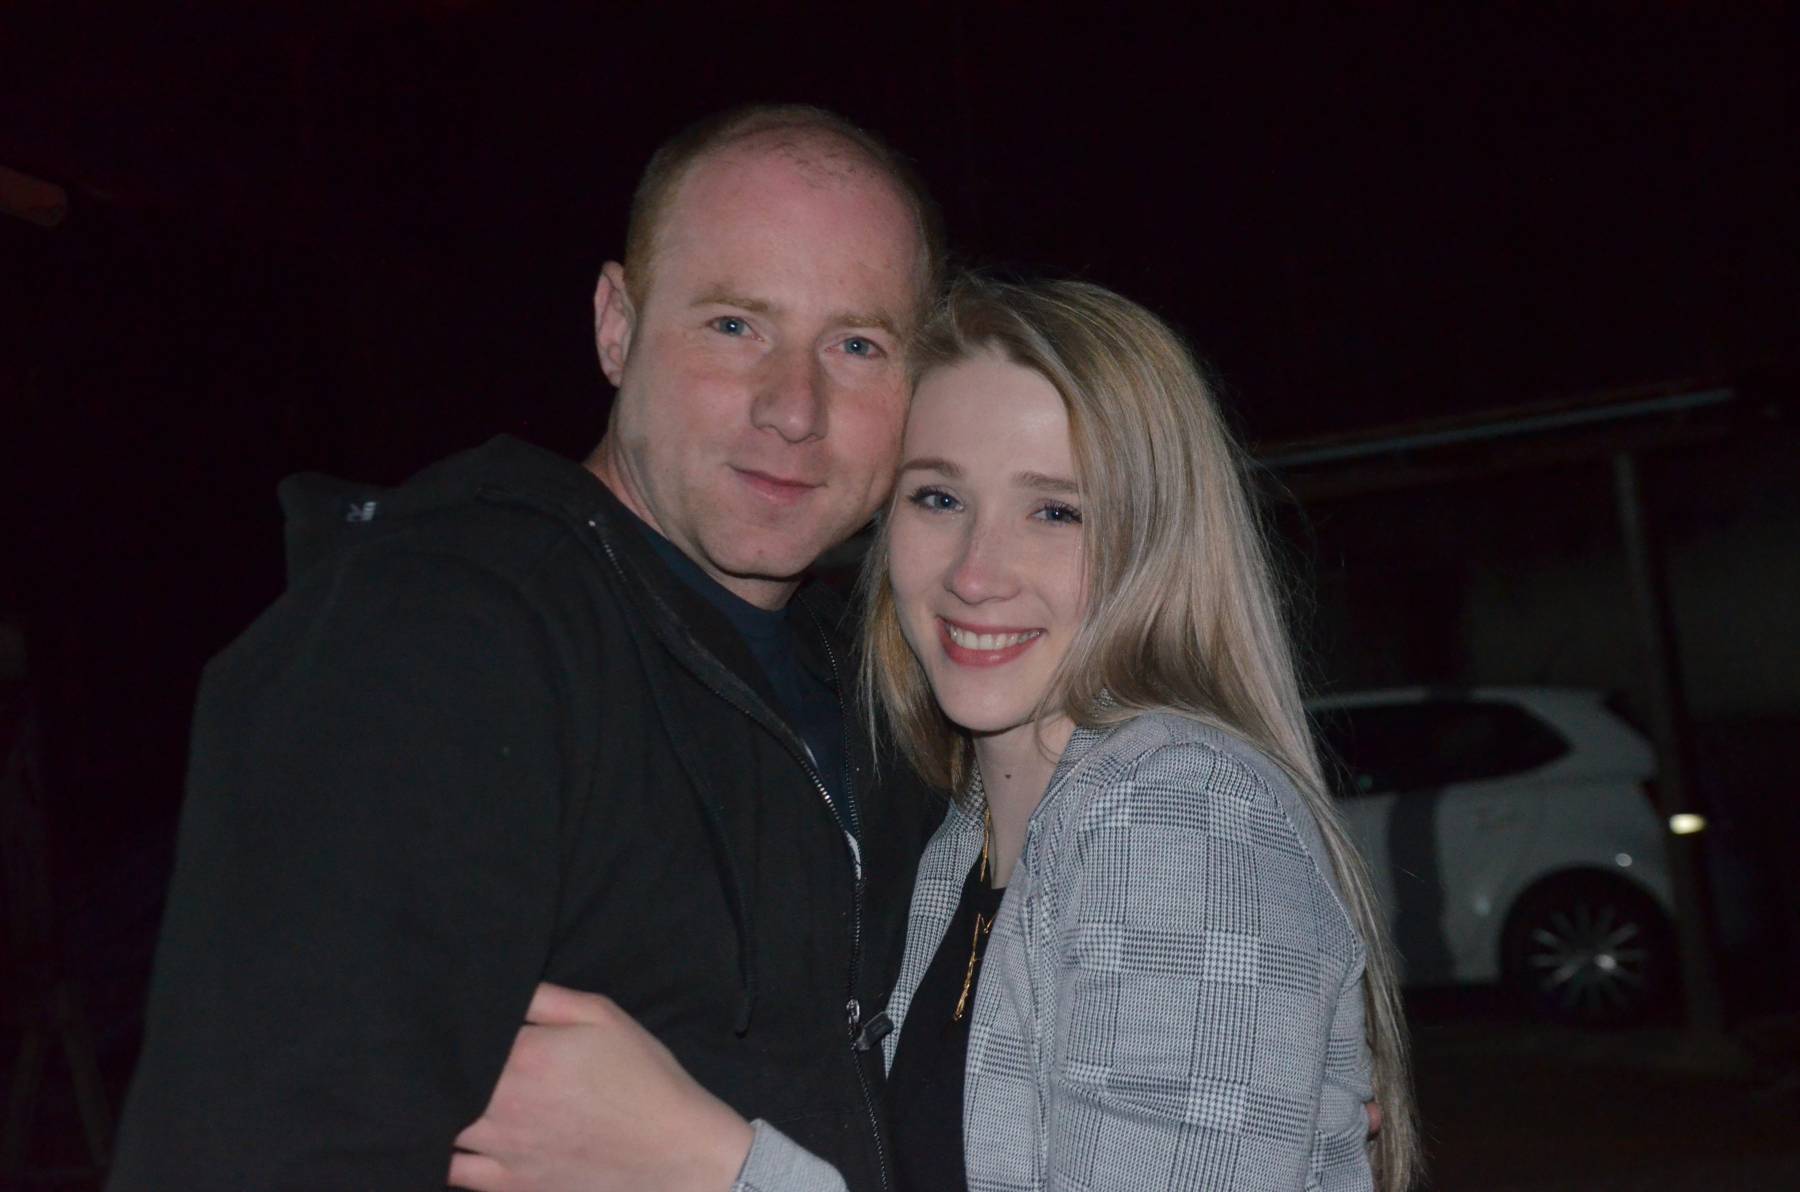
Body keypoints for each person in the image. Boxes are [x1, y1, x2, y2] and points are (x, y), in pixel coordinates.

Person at [107, 103, 945, 1191]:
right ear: (616, 325)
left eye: (857, 345)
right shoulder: (442, 640)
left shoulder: (883, 679)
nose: (794, 407)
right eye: (735, 326)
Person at [464, 275, 1422, 1191]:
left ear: (1158, 541)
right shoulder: (959, 842)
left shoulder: (1179, 814)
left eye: (1056, 511)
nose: (975, 572)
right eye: (939, 498)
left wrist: (707, 1168)